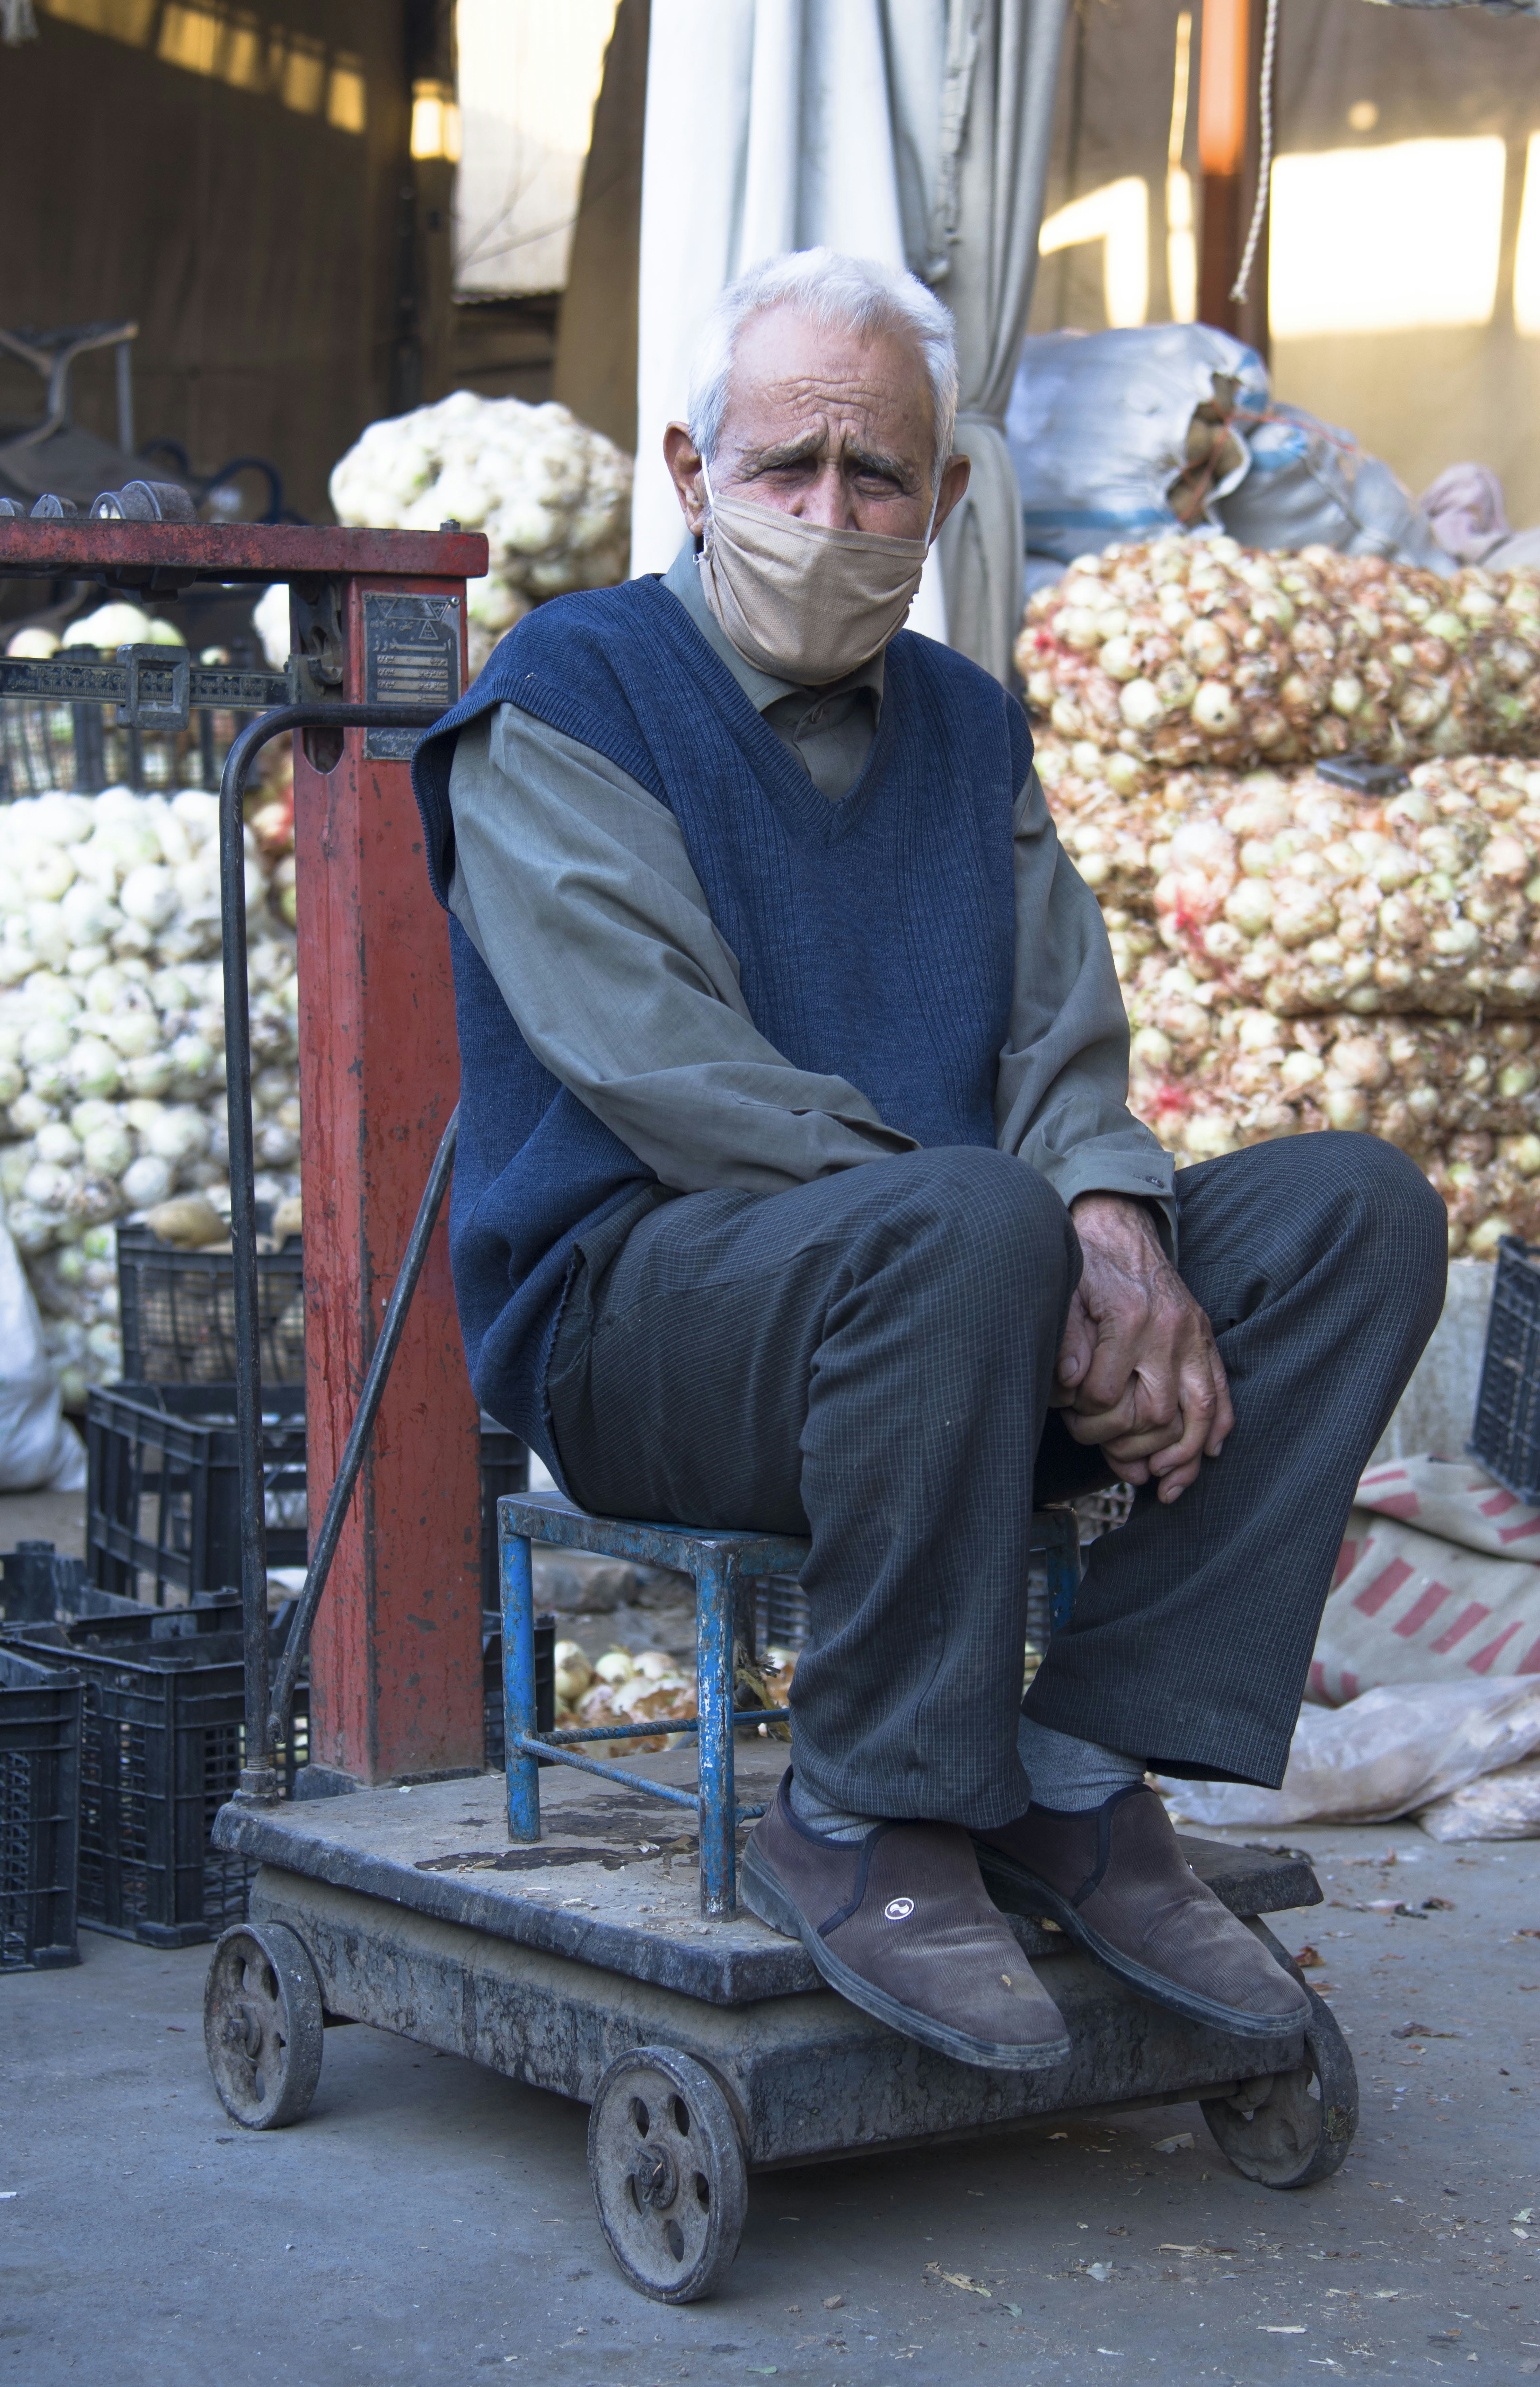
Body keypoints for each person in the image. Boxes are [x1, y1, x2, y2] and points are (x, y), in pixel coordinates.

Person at [413, 248, 1445, 2074]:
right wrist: (1032, 1244)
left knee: (1348, 1212)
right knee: (972, 1216)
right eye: (782, 469)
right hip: (654, 1321)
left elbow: (1060, 1035)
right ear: (688, 473)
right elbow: (670, 1076)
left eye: (874, 475)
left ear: (944, 496)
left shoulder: (969, 721)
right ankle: (866, 1806)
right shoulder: (568, 691)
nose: (829, 512)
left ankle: (1072, 1768)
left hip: (957, 1299)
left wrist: (1112, 1226)